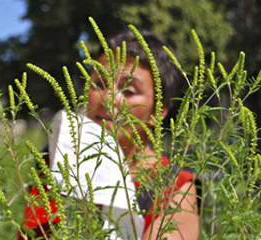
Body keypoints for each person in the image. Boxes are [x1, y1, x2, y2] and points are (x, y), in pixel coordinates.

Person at [20, 29, 200, 240]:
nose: (108, 98)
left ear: (158, 111)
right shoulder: (56, 163)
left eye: (129, 90)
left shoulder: (173, 190)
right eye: (99, 84)